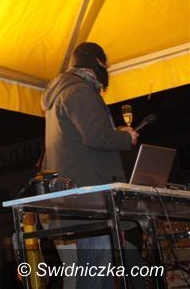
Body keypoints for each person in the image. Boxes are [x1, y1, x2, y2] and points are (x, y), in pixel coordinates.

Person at [40, 42, 142, 289]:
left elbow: (84, 139)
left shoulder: (65, 91)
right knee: (96, 270)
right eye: (105, 64)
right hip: (90, 195)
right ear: (97, 62)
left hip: (77, 193)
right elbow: (96, 137)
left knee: (97, 272)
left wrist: (116, 134)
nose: (107, 69)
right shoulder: (80, 91)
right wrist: (124, 138)